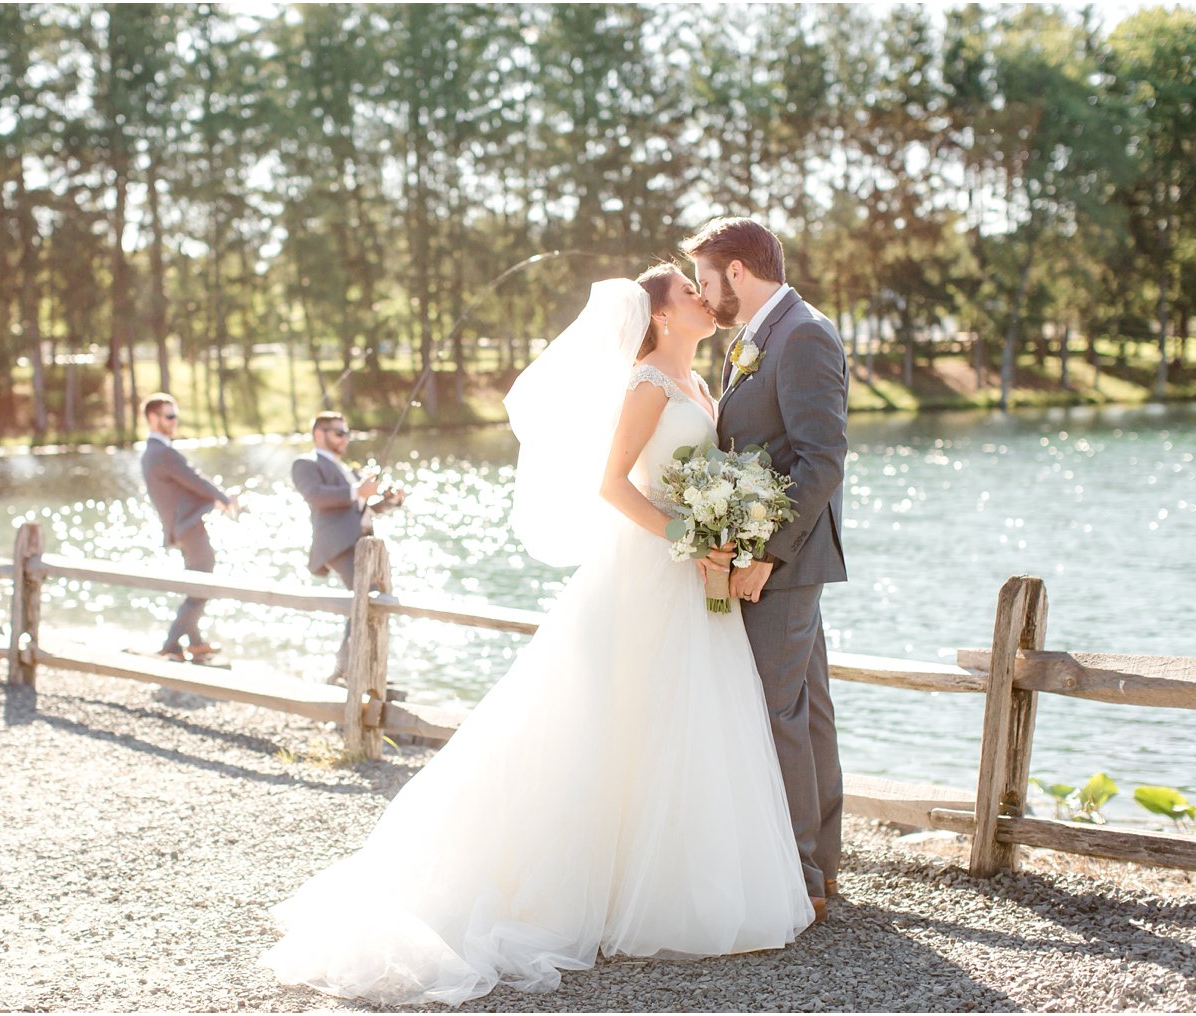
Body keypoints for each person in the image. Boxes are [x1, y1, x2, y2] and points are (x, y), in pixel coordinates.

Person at [261, 269, 813, 1007]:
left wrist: (725, 528)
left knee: (678, 721)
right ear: (657, 313)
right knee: (609, 719)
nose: (700, 296)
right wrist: (693, 532)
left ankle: (667, 883)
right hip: (649, 571)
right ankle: (586, 888)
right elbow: (614, 485)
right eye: (686, 289)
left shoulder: (704, 384)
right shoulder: (648, 382)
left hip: (690, 577)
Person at [684, 216, 850, 921]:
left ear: (738, 273)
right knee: (805, 710)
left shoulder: (804, 334)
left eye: (706, 280)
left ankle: (803, 879)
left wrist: (767, 555)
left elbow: (821, 460)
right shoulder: (756, 338)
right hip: (767, 553)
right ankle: (823, 869)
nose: (703, 294)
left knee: (779, 713)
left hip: (783, 558)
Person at [290, 412, 403, 683]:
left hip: (361, 543)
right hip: (338, 544)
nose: (345, 438)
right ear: (320, 434)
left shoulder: (348, 469)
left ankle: (351, 667)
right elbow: (316, 496)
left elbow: (362, 509)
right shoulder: (305, 463)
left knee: (367, 599)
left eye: (346, 433)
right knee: (368, 597)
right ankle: (350, 669)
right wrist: (356, 491)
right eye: (339, 433)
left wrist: (391, 501)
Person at [140, 393, 240, 663]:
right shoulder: (163, 453)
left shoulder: (154, 453)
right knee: (202, 585)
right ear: (153, 418)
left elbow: (184, 486)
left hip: (182, 528)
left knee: (196, 581)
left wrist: (215, 499)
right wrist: (223, 498)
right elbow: (193, 480)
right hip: (188, 529)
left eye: (175, 416)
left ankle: (195, 642)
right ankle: (172, 645)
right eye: (169, 416)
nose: (174, 421)